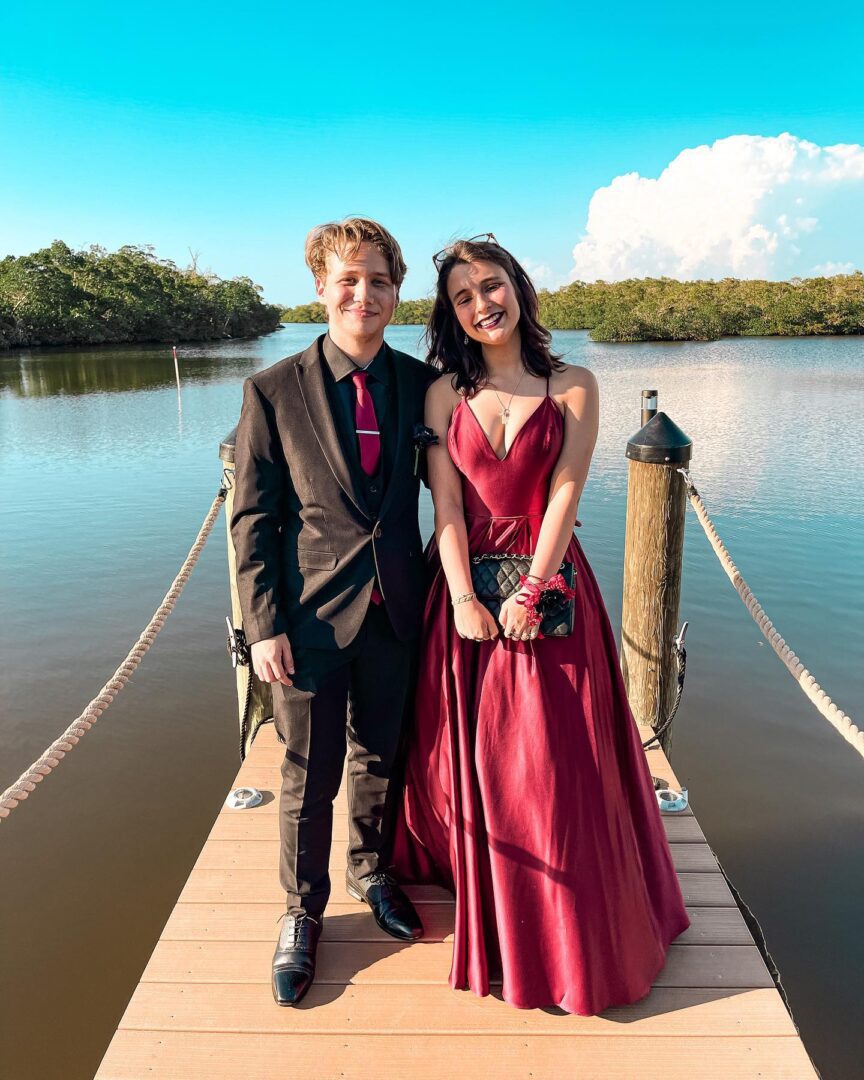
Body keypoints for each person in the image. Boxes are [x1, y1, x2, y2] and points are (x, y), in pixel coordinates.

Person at [393, 235, 690, 1014]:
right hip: (462, 585)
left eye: (491, 286)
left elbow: (564, 494)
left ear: (519, 289)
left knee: (555, 762)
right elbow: (445, 504)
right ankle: (494, 896)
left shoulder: (575, 385)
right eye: (463, 297)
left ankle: (574, 925)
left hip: (548, 581)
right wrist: (463, 598)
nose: (481, 304)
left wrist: (531, 591)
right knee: (477, 757)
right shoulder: (442, 394)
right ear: (451, 314)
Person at [231, 217, 437, 1007]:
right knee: (307, 773)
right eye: (349, 279)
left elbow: (463, 478)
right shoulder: (272, 390)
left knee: (380, 756)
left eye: (379, 280)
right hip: (308, 619)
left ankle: (371, 872)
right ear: (321, 286)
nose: (364, 294)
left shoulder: (422, 384)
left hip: (397, 611)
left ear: (396, 292)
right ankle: (301, 910)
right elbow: (254, 519)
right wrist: (263, 626)